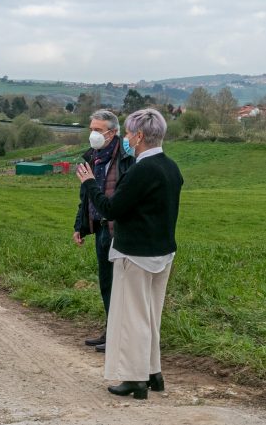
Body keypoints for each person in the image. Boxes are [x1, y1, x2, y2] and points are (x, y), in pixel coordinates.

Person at [75, 108, 183, 399]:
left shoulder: (141, 169)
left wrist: (89, 184)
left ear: (138, 136)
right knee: (150, 315)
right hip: (162, 252)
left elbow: (111, 209)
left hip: (135, 254)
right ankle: (152, 373)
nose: (128, 138)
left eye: (130, 133)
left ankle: (135, 379)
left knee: (132, 317)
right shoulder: (171, 167)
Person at [73, 110, 134, 353]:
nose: (93, 135)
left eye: (98, 130)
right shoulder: (92, 157)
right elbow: (86, 194)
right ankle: (111, 330)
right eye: (91, 129)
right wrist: (80, 225)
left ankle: (119, 336)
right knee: (107, 283)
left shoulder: (126, 158)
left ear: (113, 132)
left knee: (120, 285)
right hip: (99, 228)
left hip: (117, 228)